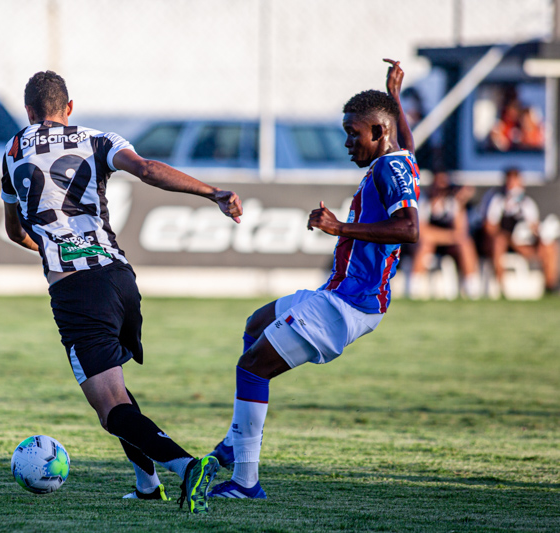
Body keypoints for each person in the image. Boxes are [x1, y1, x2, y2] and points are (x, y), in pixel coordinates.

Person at [1, 71, 243, 513]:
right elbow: (148, 169)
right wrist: (213, 192)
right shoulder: (98, 138)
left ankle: (187, 466)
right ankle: (147, 484)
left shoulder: (13, 149)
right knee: (117, 390)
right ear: (69, 108)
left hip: (76, 292)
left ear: (29, 113)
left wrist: (54, 247)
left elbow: (14, 230)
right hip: (120, 278)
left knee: (110, 407)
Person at [206, 59, 420, 499]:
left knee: (251, 368)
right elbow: (405, 147)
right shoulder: (397, 159)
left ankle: (245, 481)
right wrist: (394, 97)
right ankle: (235, 440)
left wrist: (338, 227)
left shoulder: (386, 170)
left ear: (379, 133)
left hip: (349, 305)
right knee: (255, 324)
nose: (347, 142)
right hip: (339, 294)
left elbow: (410, 229)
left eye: (354, 133)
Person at [483, 168, 558, 295]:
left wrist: (540, 234)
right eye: (510, 183)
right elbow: (490, 228)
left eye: (516, 183)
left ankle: (550, 287)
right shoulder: (497, 201)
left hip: (521, 244)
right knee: (499, 242)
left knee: (550, 246)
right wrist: (510, 238)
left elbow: (534, 226)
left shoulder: (527, 204)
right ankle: (500, 288)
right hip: (503, 243)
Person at [410, 170, 481, 299]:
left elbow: (461, 232)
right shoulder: (424, 201)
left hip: (448, 245)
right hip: (426, 245)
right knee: (425, 244)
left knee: (466, 244)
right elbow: (421, 231)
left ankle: (472, 288)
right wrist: (450, 236)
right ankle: (414, 288)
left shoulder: (453, 202)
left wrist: (461, 202)